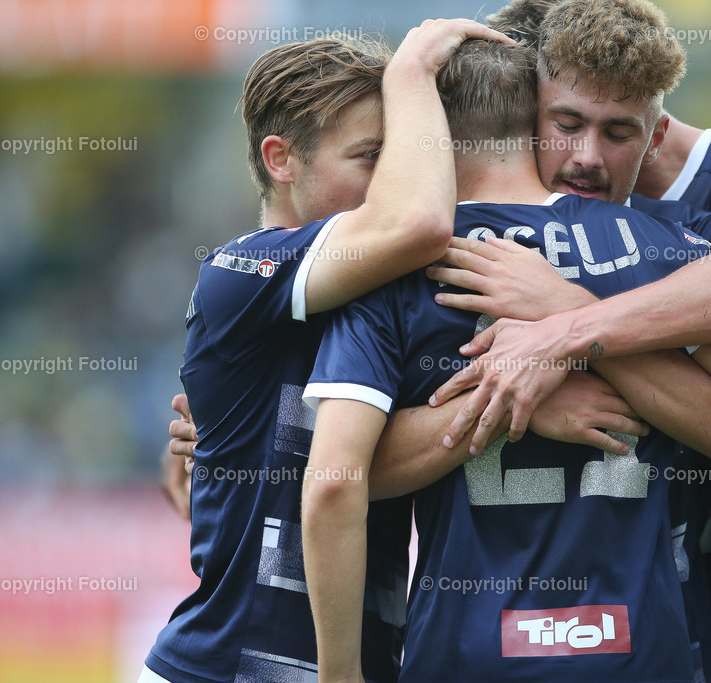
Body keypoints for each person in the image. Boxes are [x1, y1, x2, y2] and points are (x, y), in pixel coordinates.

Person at [300, 35, 711, 683]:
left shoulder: (394, 273)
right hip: (640, 648)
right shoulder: (663, 244)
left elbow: (337, 477)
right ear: (535, 120)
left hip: (463, 651)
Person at [139, 21, 516, 683]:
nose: (393, 182)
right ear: (282, 160)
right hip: (221, 670)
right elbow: (421, 222)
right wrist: (409, 73)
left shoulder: (397, 298)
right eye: (373, 158)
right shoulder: (241, 269)